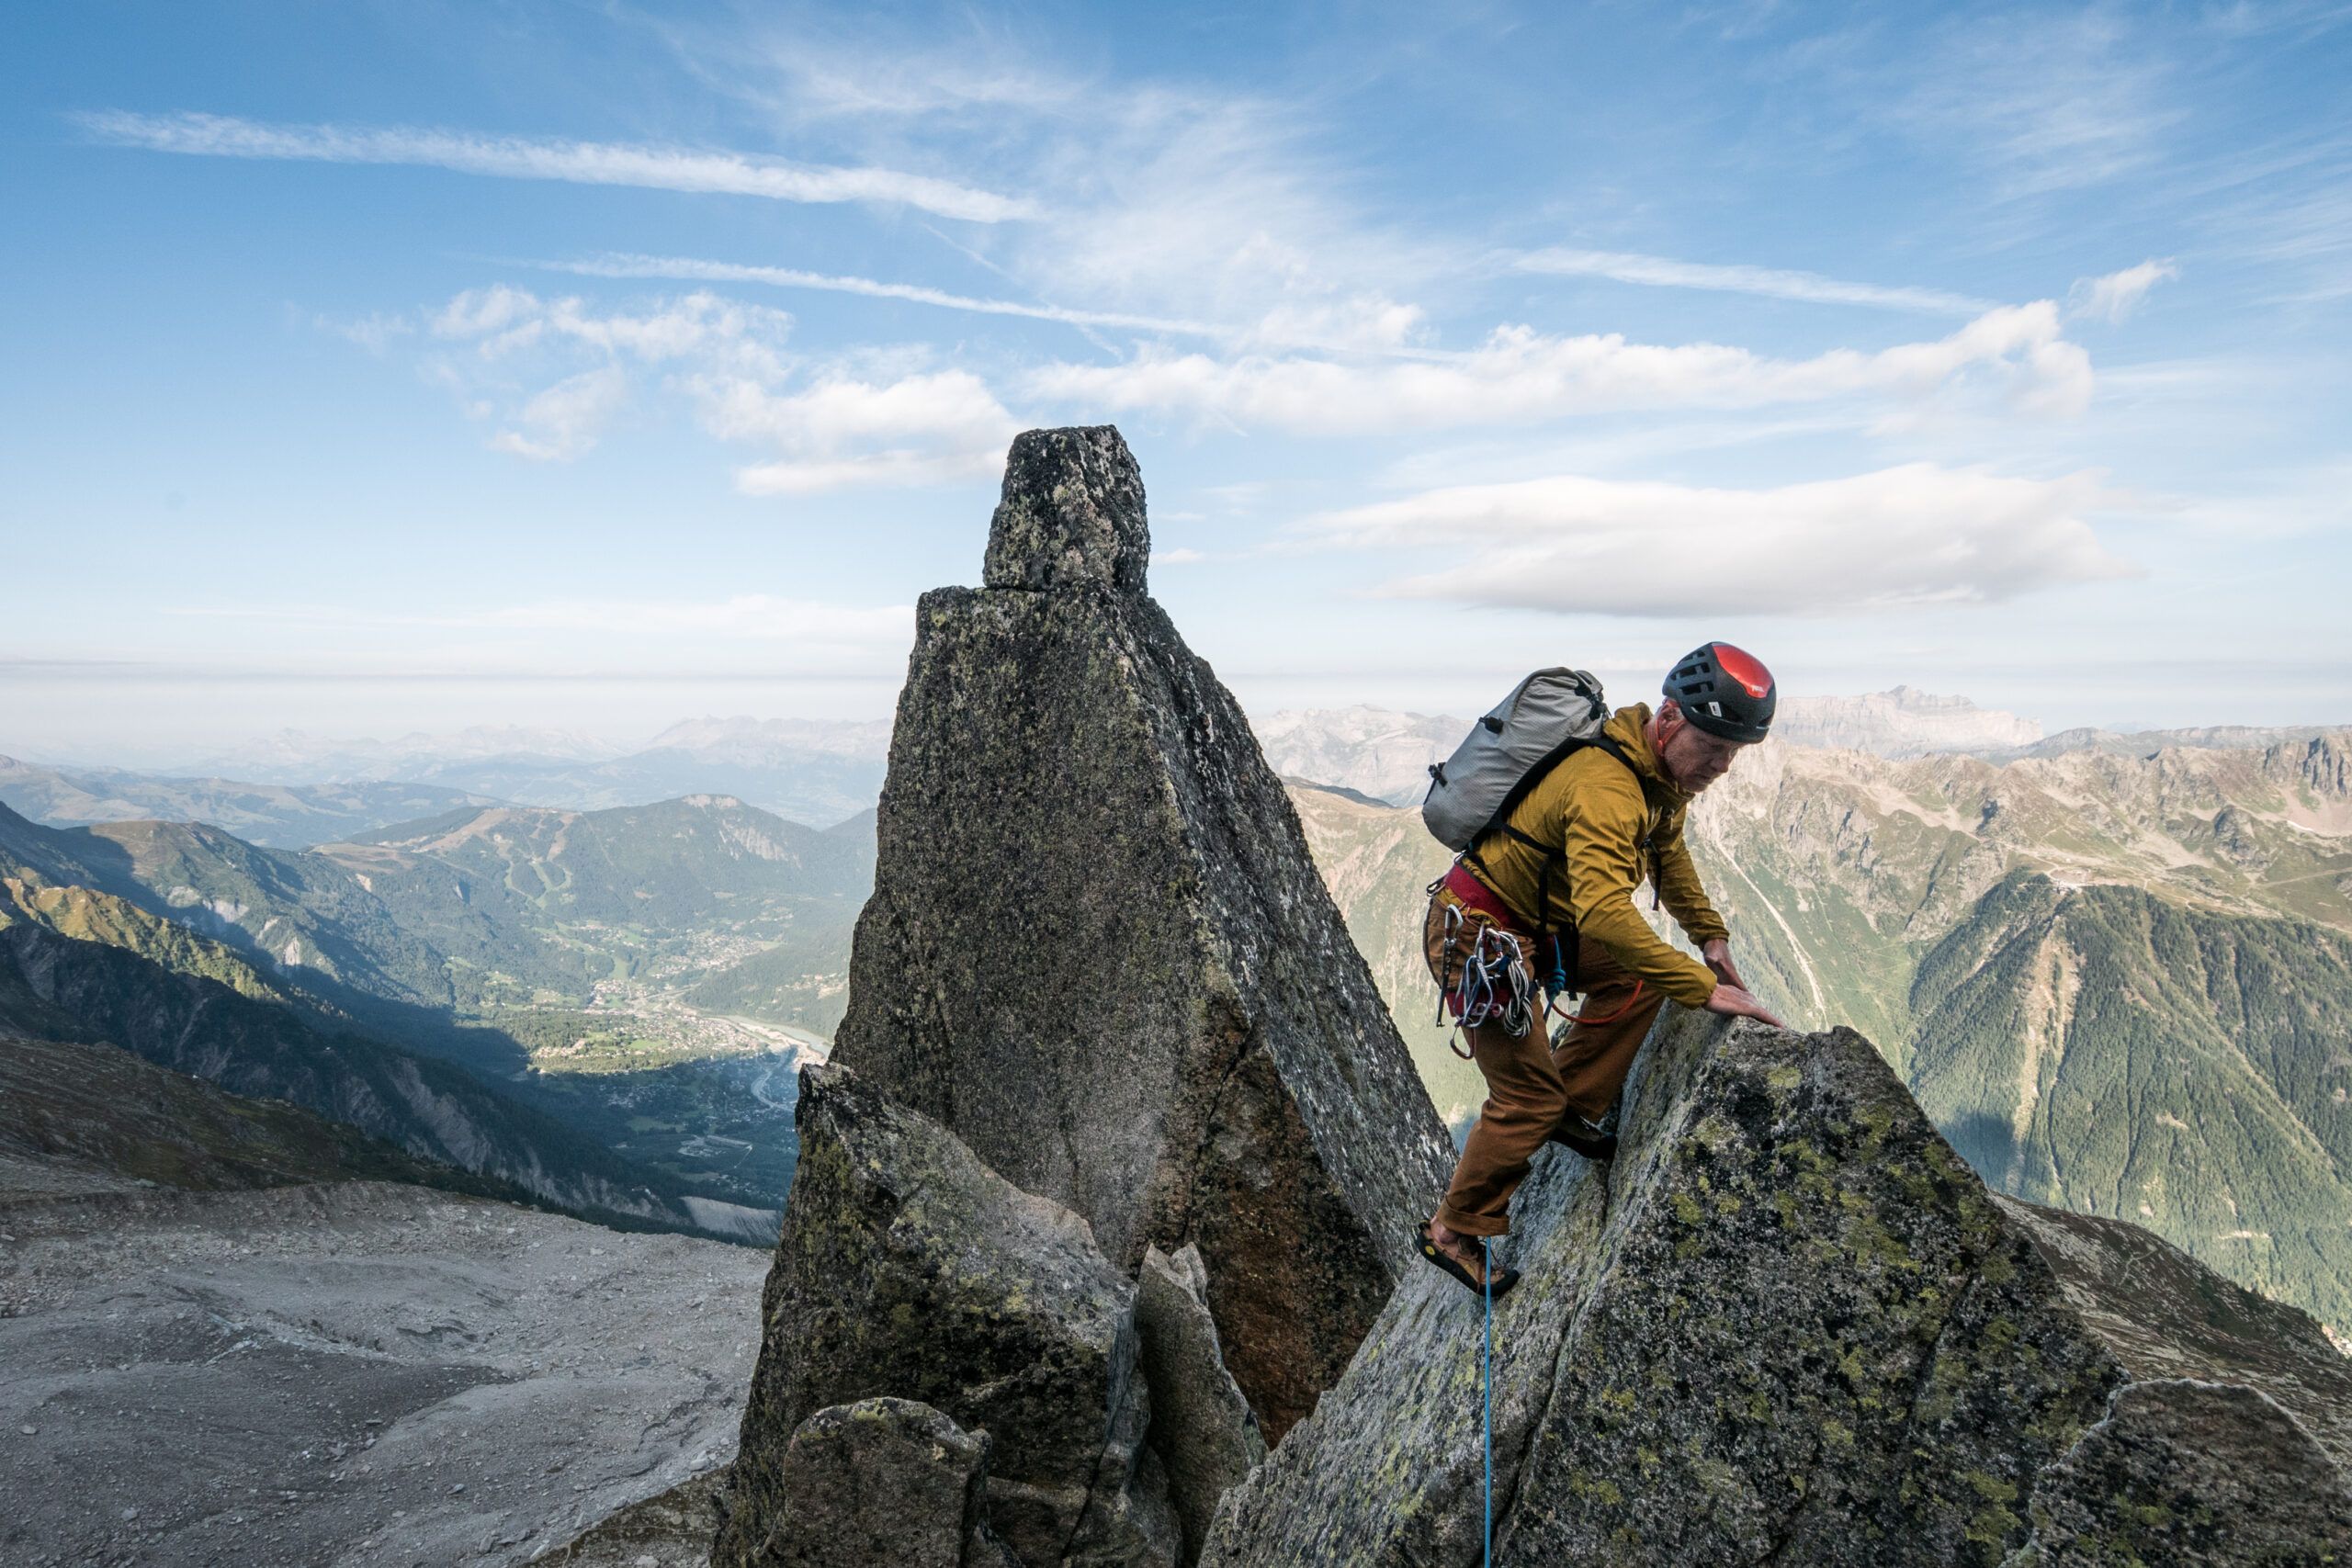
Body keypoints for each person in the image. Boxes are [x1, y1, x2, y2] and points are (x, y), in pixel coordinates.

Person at [1417, 641, 1788, 1298]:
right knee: (1526, 1097)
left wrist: (1709, 936)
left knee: (1640, 977)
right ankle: (1450, 1230)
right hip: (1476, 939)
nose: (1724, 765)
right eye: (1715, 746)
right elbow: (1606, 915)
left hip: (1530, 930)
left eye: (1734, 752)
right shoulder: (1607, 789)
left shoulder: (1659, 782)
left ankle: (1573, 1102)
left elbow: (1668, 858)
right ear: (1670, 720)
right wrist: (1703, 988)